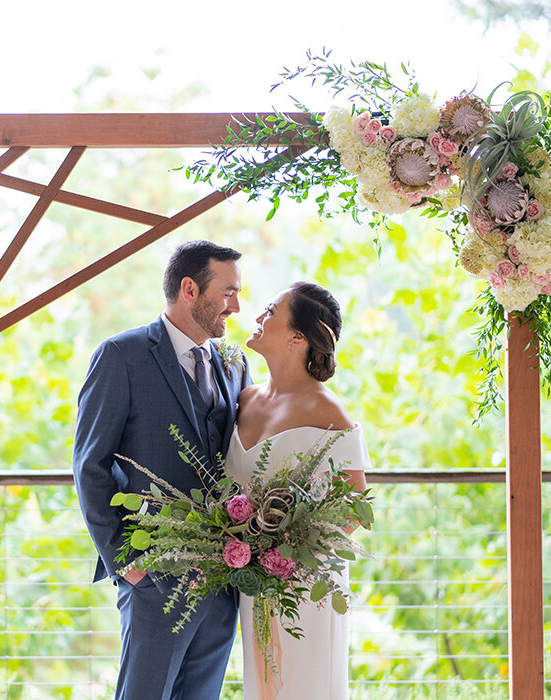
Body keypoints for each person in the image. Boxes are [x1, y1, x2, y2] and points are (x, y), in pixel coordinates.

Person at [73, 240, 253, 700]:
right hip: (154, 577)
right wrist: (125, 561)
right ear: (190, 289)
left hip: (222, 582)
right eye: (228, 292)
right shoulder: (122, 355)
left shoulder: (234, 364)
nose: (236, 305)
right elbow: (90, 465)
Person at [224, 281, 371, 700]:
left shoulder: (327, 410)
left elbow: (356, 508)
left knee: (306, 685)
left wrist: (289, 554)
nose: (257, 317)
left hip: (306, 584)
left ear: (297, 337)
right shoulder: (245, 399)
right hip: (253, 582)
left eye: (270, 311)